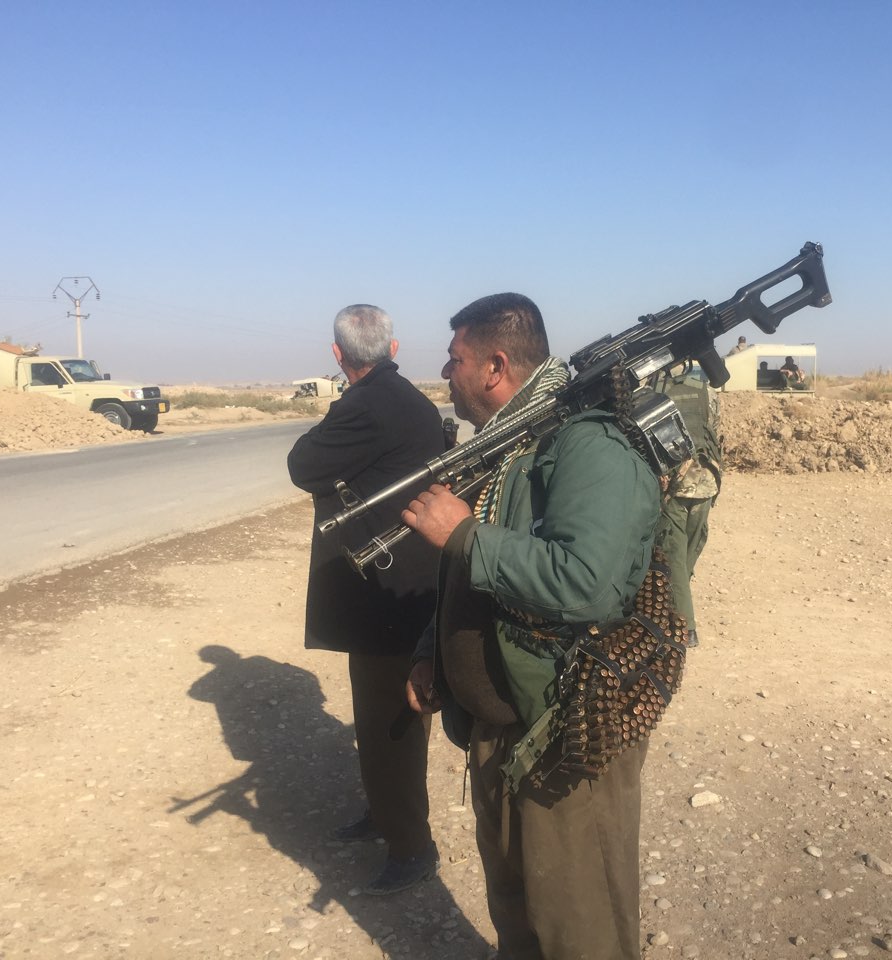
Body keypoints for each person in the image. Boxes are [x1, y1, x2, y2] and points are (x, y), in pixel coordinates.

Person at [403, 293, 661, 960]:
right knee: (517, 916)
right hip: (502, 727)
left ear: (493, 366)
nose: (443, 370)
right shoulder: (503, 446)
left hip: (566, 730)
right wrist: (433, 650)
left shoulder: (587, 442)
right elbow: (478, 568)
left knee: (580, 927)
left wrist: (462, 534)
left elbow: (587, 581)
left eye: (453, 358)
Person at [286, 304, 445, 895]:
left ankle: (412, 846)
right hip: (393, 583)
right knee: (379, 718)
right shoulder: (403, 397)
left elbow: (302, 464)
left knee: (393, 722)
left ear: (337, 354)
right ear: (393, 346)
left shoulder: (367, 404)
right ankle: (384, 815)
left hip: (387, 591)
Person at [654, 365, 721, 647]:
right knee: (687, 552)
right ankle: (683, 613)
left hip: (675, 485)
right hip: (707, 481)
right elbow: (715, 433)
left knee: (676, 557)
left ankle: (684, 625)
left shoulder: (655, 392)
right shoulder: (708, 393)